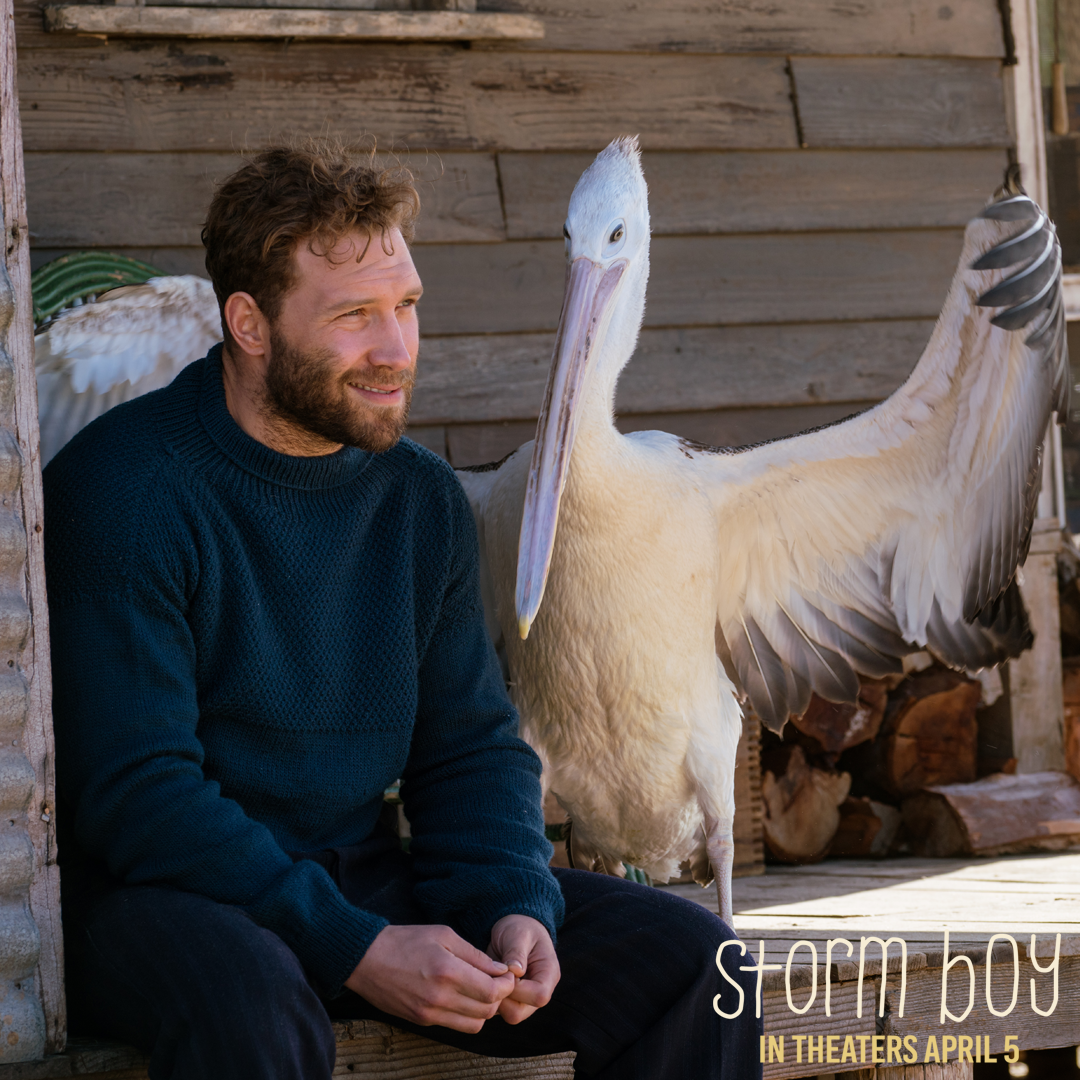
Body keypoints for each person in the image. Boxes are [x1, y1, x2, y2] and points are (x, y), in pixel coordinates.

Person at [44, 143, 761, 1079]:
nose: (395, 350)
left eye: (406, 307)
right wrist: (359, 949)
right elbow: (140, 797)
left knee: (703, 970)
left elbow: (467, 746)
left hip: (364, 884)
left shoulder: (417, 502)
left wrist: (514, 902)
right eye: (353, 317)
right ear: (249, 325)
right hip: (169, 899)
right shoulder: (128, 489)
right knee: (257, 1011)